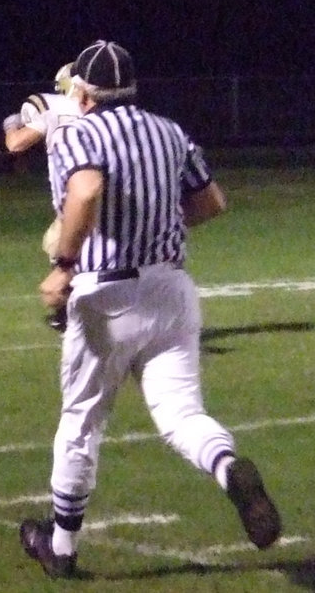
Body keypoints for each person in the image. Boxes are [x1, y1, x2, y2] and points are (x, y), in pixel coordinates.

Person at [19, 40, 281, 578]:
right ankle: (230, 469)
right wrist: (157, 231)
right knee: (182, 414)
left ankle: (62, 549)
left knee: (82, 421)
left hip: (106, 292)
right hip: (171, 288)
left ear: (85, 92)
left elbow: (86, 190)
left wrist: (64, 264)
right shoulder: (170, 131)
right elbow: (212, 203)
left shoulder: (82, 131)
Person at [2, 63, 83, 332]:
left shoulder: (52, 107)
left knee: (62, 247)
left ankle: (69, 312)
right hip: (111, 193)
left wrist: (11, 125)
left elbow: (16, 144)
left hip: (77, 197)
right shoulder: (104, 112)